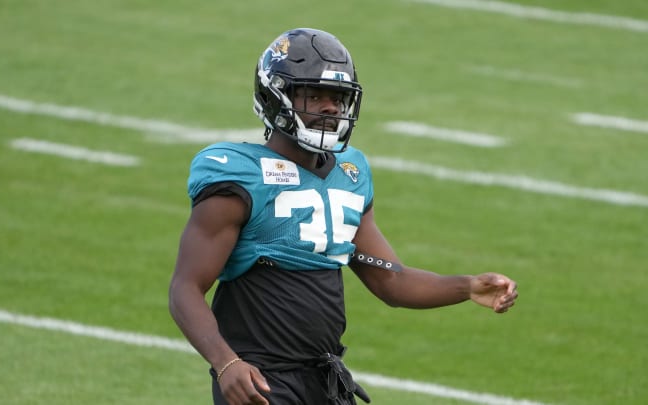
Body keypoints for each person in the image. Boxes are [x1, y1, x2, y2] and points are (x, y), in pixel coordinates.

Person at [168, 28, 518, 405]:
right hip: (259, 379)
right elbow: (185, 288)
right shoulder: (240, 175)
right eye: (314, 95)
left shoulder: (349, 173)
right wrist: (225, 363)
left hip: (322, 378)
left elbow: (391, 281)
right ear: (275, 97)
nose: (330, 108)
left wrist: (466, 287)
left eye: (337, 98)